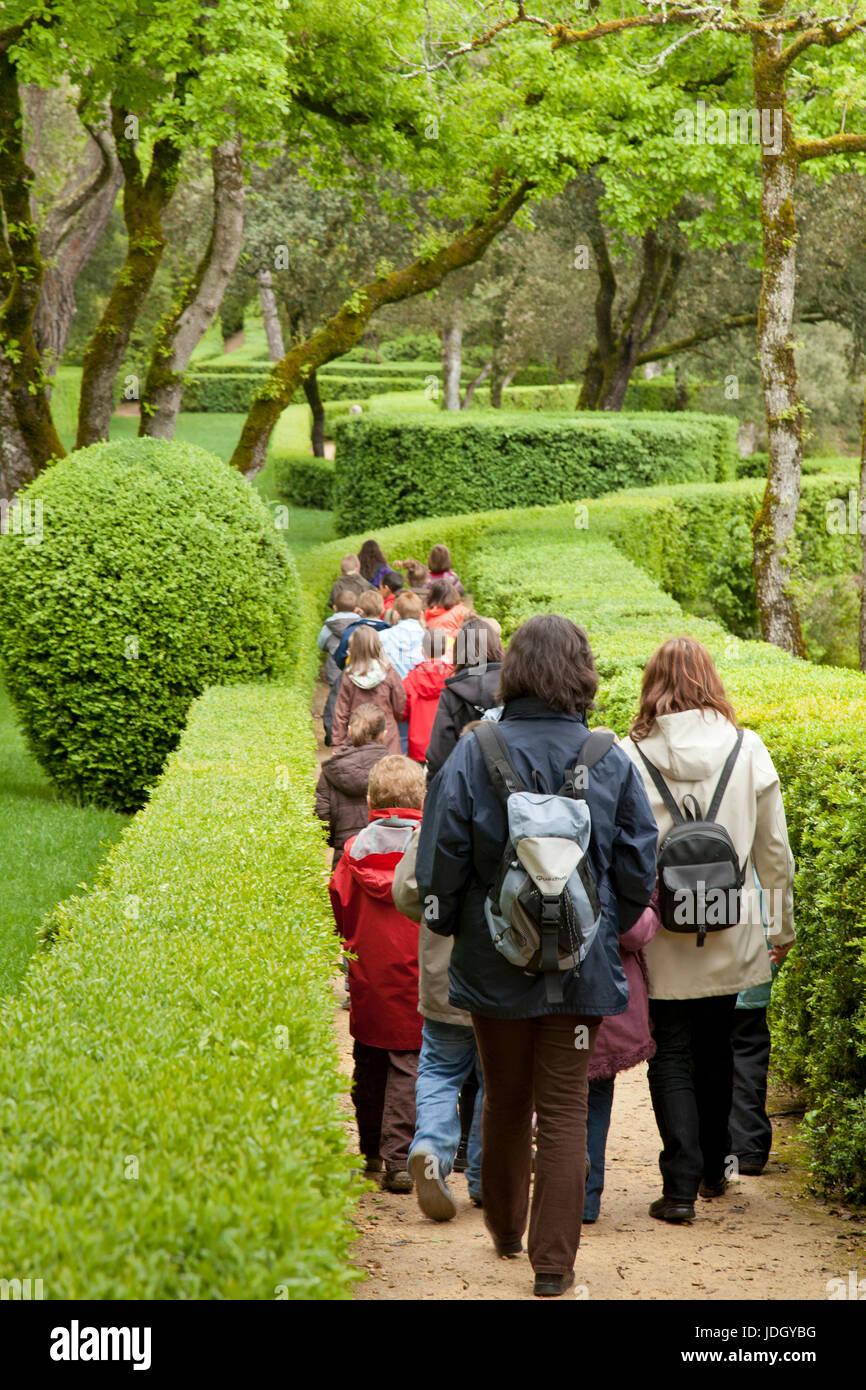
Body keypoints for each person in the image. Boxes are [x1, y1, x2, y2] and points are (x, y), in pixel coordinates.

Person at [415, 615, 658, 1297]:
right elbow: (641, 867)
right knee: (563, 1109)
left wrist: (462, 914)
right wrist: (603, 921)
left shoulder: (474, 750)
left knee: (503, 1098)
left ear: (514, 668)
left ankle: (504, 1230)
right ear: (581, 672)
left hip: (494, 961)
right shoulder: (609, 756)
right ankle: (553, 1267)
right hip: (581, 967)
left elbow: (440, 863)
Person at [620, 636, 795, 1224]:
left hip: (662, 931)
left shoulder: (628, 753)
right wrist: (782, 925)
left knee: (670, 1051)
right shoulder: (748, 749)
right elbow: (774, 851)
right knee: (720, 1044)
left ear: (651, 686)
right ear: (711, 682)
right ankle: (720, 1165)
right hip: (735, 924)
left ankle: (678, 1187)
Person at [330, 756, 426, 1193]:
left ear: (370, 800)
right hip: (416, 972)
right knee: (409, 1063)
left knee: (368, 1060)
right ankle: (399, 1159)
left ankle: (369, 1151)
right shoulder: (429, 850)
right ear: (421, 797)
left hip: (368, 973)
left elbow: (339, 909)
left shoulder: (352, 854)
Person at [392, 805, 484, 1220]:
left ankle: (430, 1146)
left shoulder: (440, 809)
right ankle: (487, 1178)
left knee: (440, 1069)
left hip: (442, 969)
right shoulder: (526, 800)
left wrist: (438, 922)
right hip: (505, 973)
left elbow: (406, 889)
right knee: (498, 1078)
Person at [583, 895, 661, 1223]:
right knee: (597, 1099)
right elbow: (633, 933)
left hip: (544, 992)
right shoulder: (619, 851)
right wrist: (654, 907)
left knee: (551, 1093)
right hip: (603, 996)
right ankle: (586, 1198)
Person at [425, 617, 505, 778]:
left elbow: (439, 754)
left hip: (465, 781)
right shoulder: (514, 686)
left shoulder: (452, 693)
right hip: (511, 786)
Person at [314, 704, 390, 859]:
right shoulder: (393, 767)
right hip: (387, 853)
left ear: (349, 730)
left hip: (346, 851)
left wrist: (337, 840)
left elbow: (321, 812)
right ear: (383, 734)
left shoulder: (333, 768)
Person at [332, 626, 407, 754]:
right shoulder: (389, 673)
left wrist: (338, 744)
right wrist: (395, 718)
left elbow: (341, 712)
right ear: (377, 646)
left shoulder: (349, 675)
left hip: (357, 734)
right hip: (386, 733)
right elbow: (400, 704)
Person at [402, 628, 454, 763]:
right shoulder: (453, 678)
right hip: (445, 744)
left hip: (418, 746)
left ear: (423, 650)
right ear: (444, 650)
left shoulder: (410, 679)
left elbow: (402, 712)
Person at [317, 590, 360, 746]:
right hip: (357, 670)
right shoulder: (361, 626)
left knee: (335, 702)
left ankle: (332, 735)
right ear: (357, 608)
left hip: (336, 669)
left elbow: (321, 644)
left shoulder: (328, 627)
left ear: (335, 607)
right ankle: (354, 735)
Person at [332, 590, 389, 671]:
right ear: (383, 610)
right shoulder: (390, 632)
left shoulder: (351, 631)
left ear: (360, 611)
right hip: (383, 677)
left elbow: (340, 656)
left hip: (354, 675)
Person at [380, 592, 427, 679]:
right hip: (417, 688)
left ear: (397, 614)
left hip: (390, 687)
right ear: (421, 614)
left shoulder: (382, 636)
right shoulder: (429, 639)